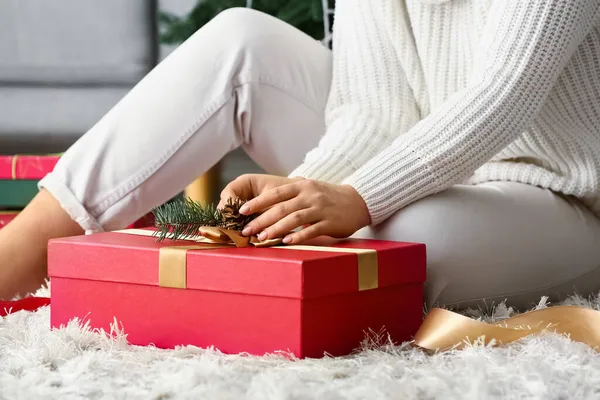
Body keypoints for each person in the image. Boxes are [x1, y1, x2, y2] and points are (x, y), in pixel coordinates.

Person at [1, 0, 599, 310]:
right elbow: (374, 109)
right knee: (241, 39)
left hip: (557, 193)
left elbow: (503, 96)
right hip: (420, 159)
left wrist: (359, 198)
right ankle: (20, 253)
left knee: (404, 238)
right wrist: (302, 195)